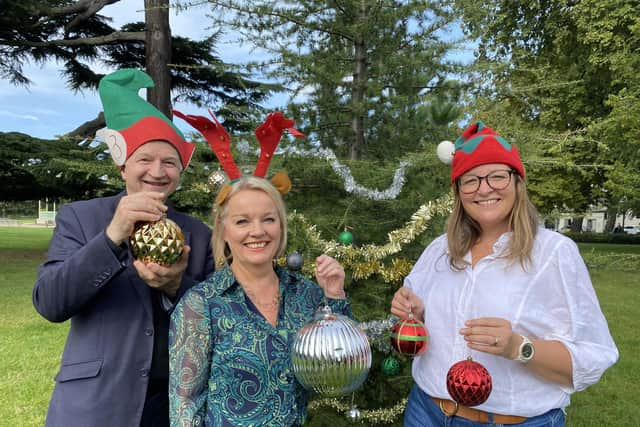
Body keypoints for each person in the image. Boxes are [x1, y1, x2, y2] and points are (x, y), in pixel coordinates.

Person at [390, 122, 618, 426]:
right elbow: (417, 321)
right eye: (470, 180)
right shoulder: (439, 250)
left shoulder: (553, 253)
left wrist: (518, 347)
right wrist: (416, 313)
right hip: (426, 412)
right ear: (459, 192)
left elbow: (592, 356)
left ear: (516, 182)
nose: (484, 189)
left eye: (497, 176)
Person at [32, 69, 215, 427]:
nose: (157, 172)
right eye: (145, 160)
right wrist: (112, 235)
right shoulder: (81, 218)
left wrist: (175, 286)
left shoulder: (198, 233)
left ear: (180, 170)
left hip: (170, 410)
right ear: (123, 167)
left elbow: (219, 317)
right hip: (94, 405)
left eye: (169, 162)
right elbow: (50, 303)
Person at [168, 111, 350, 426]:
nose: (258, 231)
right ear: (223, 229)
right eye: (242, 221)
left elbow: (341, 365)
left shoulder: (305, 294)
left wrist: (334, 294)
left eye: (268, 219)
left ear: (281, 225)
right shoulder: (203, 305)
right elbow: (185, 407)